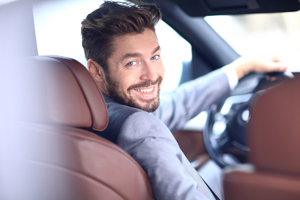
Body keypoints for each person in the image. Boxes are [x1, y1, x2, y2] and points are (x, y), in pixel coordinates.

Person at [81, 1, 287, 199]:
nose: (151, 75)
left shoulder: (97, 115)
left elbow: (178, 104)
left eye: (154, 57)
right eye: (132, 63)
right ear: (96, 71)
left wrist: (239, 68)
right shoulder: (139, 125)